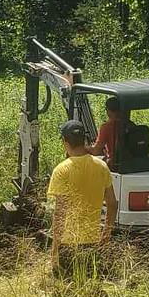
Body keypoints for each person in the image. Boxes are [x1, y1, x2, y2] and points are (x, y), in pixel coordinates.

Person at [47, 119, 117, 279]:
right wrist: (105, 235)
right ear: (84, 140)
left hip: (68, 243)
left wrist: (55, 250)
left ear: (65, 142)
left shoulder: (61, 170)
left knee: (68, 293)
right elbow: (112, 204)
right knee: (90, 291)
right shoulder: (101, 167)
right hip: (93, 241)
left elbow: (60, 213)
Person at [93, 99, 124, 165]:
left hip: (115, 164)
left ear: (107, 110)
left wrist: (85, 147)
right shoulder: (130, 124)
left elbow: (96, 151)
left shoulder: (106, 127)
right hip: (129, 161)